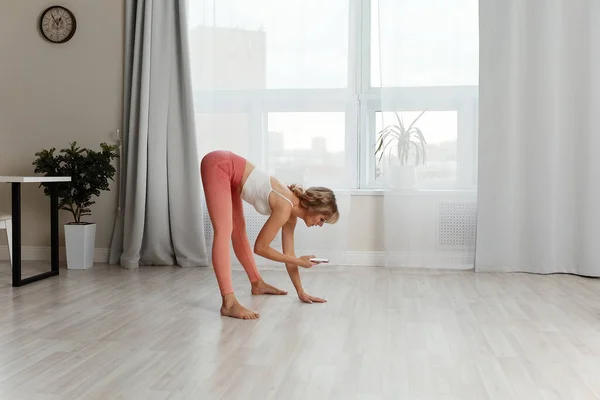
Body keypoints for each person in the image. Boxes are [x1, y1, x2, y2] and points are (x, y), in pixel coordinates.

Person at [200, 150, 339, 320]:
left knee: (238, 231)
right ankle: (228, 303)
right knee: (223, 231)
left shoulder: (291, 215)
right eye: (322, 219)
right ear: (314, 207)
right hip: (219, 165)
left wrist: (301, 292)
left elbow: (289, 255)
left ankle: (257, 283)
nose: (320, 224)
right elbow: (260, 248)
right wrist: (299, 261)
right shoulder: (285, 206)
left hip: (231, 174)